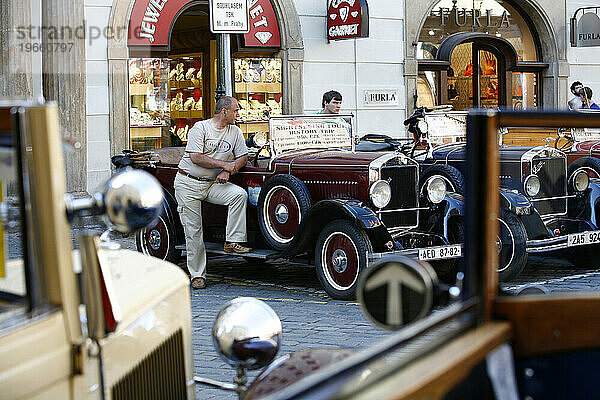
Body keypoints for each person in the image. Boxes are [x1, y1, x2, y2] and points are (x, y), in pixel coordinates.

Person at [174, 96, 251, 290]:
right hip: (188, 183)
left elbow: (243, 156)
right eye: (235, 110)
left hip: (212, 183)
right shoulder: (200, 128)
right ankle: (197, 275)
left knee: (238, 195)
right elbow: (196, 157)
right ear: (224, 112)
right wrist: (224, 164)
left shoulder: (235, 131)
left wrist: (228, 170)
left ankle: (232, 241)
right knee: (194, 231)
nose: (238, 114)